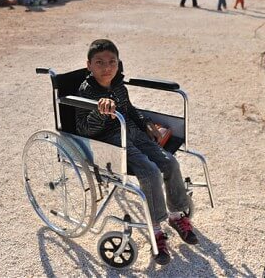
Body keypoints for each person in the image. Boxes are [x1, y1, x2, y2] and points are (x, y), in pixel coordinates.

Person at [75, 39, 198, 265]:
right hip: (112, 140)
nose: (106, 67)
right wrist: (99, 112)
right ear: (89, 65)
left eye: (112, 62)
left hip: (133, 132)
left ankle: (176, 215)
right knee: (150, 172)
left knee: (170, 163)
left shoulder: (119, 86)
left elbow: (130, 110)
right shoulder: (86, 91)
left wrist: (146, 123)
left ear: (118, 63)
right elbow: (84, 129)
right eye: (100, 62)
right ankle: (156, 229)